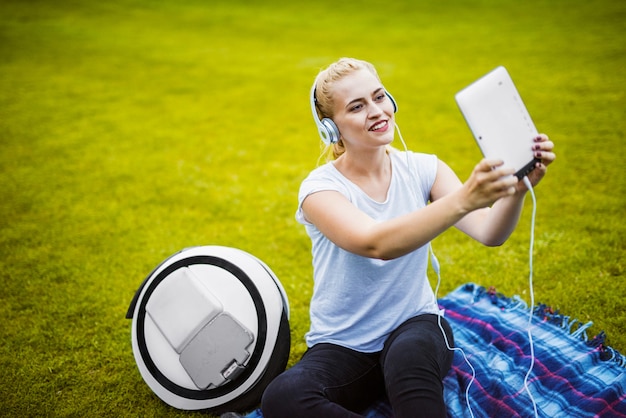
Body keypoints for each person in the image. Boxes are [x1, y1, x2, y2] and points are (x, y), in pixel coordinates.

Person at [260, 58, 555, 418]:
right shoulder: (319, 190)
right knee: (282, 396)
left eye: (379, 97)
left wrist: (518, 190)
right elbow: (376, 243)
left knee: (408, 365)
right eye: (357, 106)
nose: (377, 111)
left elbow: (489, 232)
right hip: (342, 344)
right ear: (330, 129)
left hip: (414, 326)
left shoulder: (423, 168)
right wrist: (463, 200)